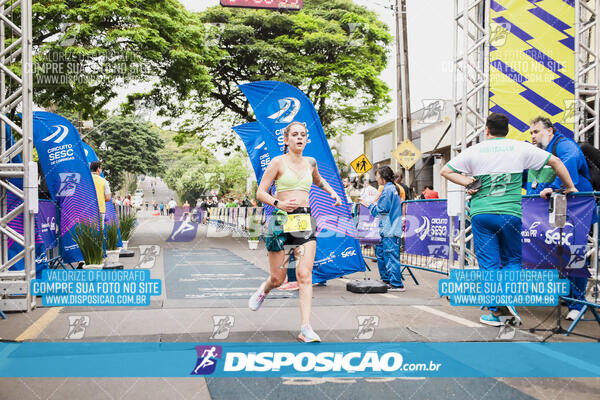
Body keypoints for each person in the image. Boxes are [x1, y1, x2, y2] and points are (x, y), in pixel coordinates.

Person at [440, 112, 577, 326]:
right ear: (507, 131)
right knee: (512, 260)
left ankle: (496, 313)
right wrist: (570, 187)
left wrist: (469, 183)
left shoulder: (475, 150)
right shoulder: (519, 147)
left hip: (482, 213)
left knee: (489, 264)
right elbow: (557, 162)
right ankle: (508, 300)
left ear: (487, 130)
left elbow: (446, 170)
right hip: (510, 214)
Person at [248, 121, 342, 343]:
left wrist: (333, 193)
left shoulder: (311, 162)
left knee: (304, 275)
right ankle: (264, 289)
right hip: (281, 221)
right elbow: (260, 192)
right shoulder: (277, 162)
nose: (300, 138)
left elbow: (319, 181)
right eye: (295, 135)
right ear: (286, 139)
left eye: (303, 135)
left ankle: (305, 328)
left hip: (304, 220)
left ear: (306, 139)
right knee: (278, 278)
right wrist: (278, 203)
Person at [527, 116, 593, 321]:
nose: (533, 135)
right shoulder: (538, 153)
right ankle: (567, 295)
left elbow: (569, 163)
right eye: (531, 132)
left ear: (550, 131)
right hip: (554, 211)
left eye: (536, 131)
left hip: (577, 209)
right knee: (556, 252)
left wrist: (555, 187)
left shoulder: (564, 144)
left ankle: (578, 303)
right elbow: (529, 180)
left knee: (575, 252)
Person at [360, 166, 405, 291]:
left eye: (378, 176)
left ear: (383, 177)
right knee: (383, 254)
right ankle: (388, 280)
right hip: (389, 227)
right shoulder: (392, 188)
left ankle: (396, 283)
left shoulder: (388, 190)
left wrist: (369, 205)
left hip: (389, 228)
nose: (376, 179)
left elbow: (381, 211)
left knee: (390, 255)